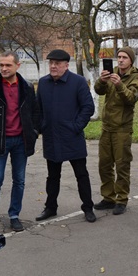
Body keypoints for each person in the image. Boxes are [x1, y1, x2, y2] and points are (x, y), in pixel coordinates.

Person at [0, 52, 39, 232]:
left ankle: (14, 216)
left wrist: (33, 132)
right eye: (1, 65)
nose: (4, 68)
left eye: (8, 65)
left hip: (21, 141)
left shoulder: (27, 86)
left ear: (17, 66)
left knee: (19, 180)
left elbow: (35, 111)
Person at [36, 49, 96, 223]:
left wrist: (76, 126)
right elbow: (37, 109)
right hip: (51, 137)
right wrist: (42, 126)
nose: (53, 66)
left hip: (72, 137)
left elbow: (88, 107)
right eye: (51, 63)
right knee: (52, 176)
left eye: (57, 63)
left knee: (81, 175)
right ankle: (50, 207)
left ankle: (88, 207)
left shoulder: (78, 82)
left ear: (66, 65)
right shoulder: (43, 83)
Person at [93, 47, 138, 215]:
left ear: (131, 60)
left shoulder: (135, 77)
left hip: (122, 129)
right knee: (104, 165)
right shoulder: (112, 72)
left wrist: (119, 85)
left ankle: (121, 199)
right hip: (107, 127)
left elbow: (132, 99)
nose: (120, 60)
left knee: (122, 165)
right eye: (119, 57)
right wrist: (101, 80)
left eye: (124, 57)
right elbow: (99, 91)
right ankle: (108, 198)